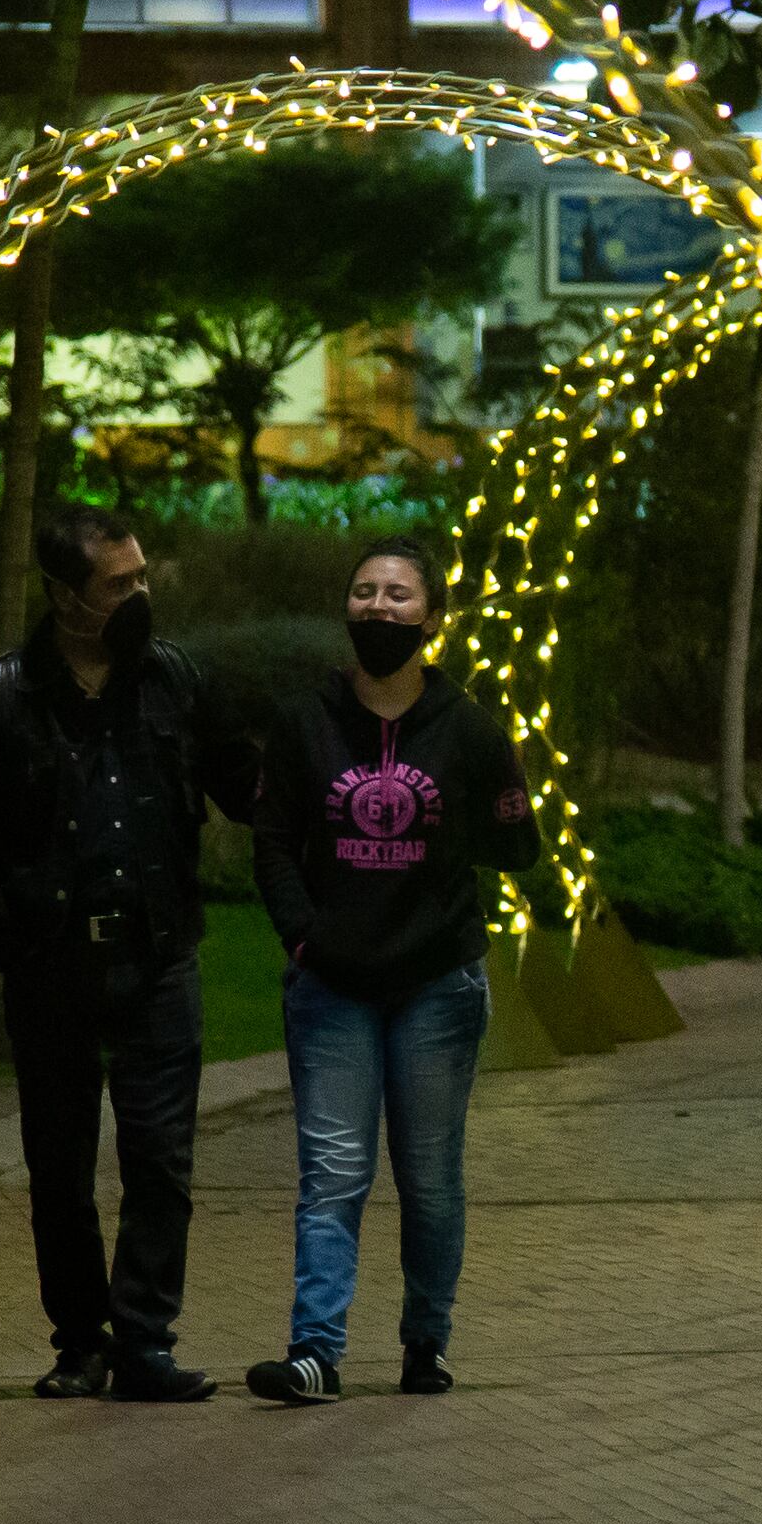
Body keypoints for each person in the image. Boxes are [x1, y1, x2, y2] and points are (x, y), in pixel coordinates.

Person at [0, 505, 258, 1402]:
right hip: (53, 968)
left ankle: (145, 1337)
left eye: (143, 576)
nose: (140, 595)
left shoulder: (176, 682)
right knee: (61, 1165)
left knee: (161, 1157)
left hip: (158, 956)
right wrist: (13, 939)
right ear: (66, 596)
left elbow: (250, 787)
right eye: (120, 584)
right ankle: (81, 1339)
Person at [250, 536, 539, 1406]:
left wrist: (465, 849)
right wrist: (305, 937)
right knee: (333, 1173)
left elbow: (517, 844)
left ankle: (427, 1340)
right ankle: (315, 1351)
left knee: (430, 1174)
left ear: (432, 618)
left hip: (436, 988)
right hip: (332, 984)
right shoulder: (306, 721)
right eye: (366, 592)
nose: (380, 607)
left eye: (400, 595)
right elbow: (271, 844)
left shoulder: (472, 727)